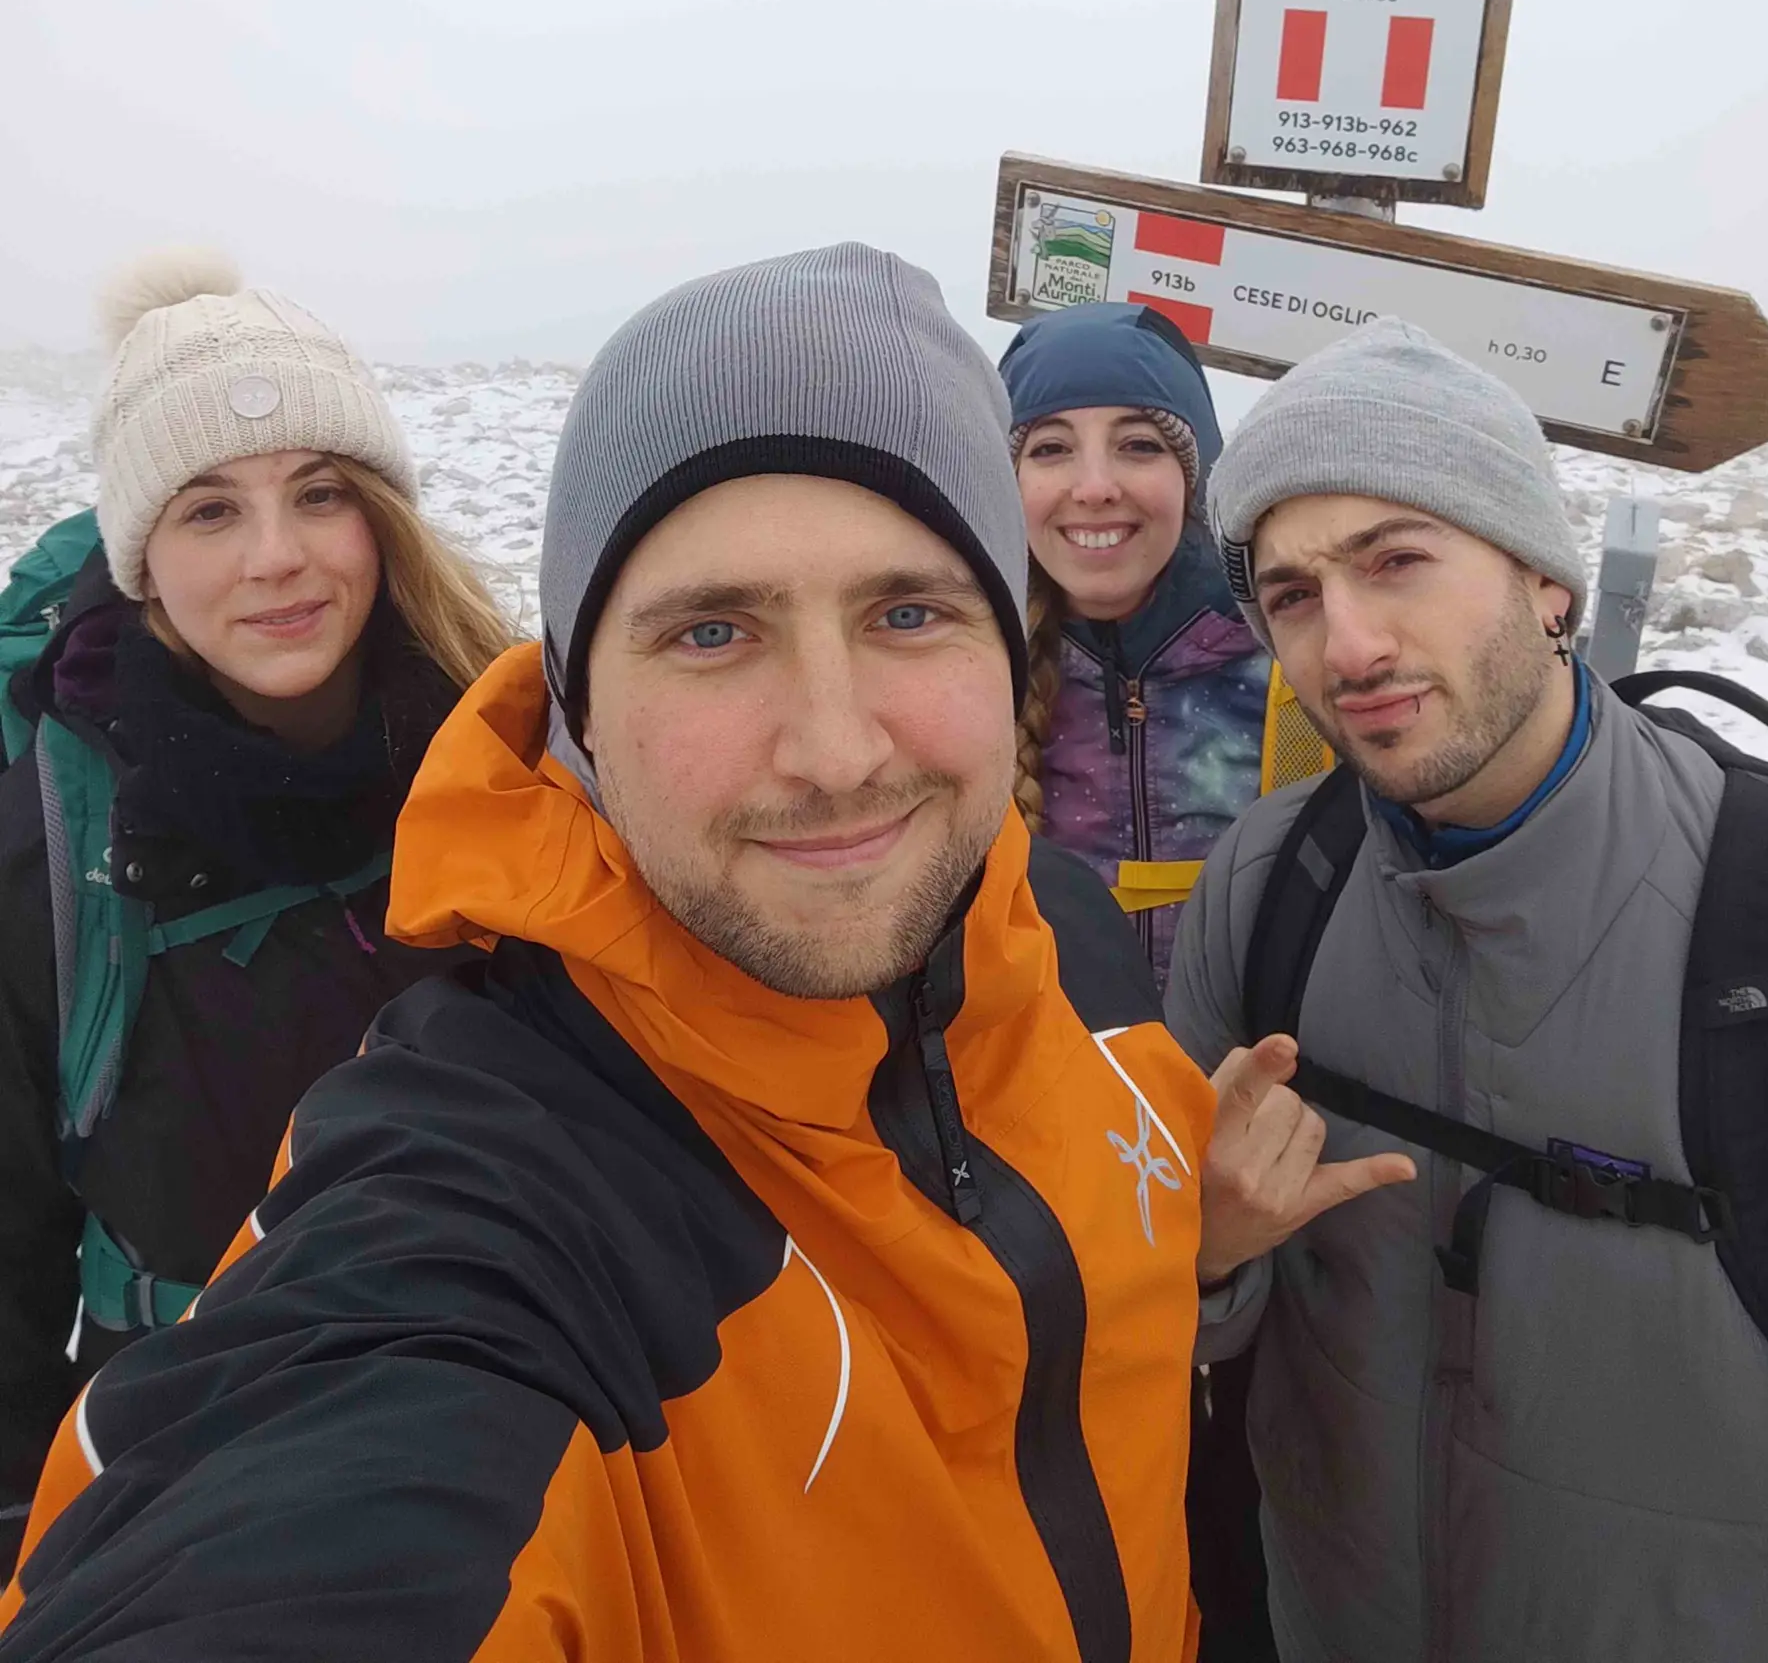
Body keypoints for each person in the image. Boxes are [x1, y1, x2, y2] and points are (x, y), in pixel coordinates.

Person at [0, 243, 1406, 1660]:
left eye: (908, 612)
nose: (836, 751)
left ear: (1005, 639)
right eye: (714, 631)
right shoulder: (505, 1182)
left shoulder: (1066, 948)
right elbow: (325, 1471)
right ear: (579, 715)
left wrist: (1184, 1246)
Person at [1169, 320, 1768, 1662]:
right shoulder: (1271, 886)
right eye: (1293, 594)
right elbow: (1157, 1311)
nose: (1349, 646)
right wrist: (1205, 1256)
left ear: (1546, 581)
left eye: (1397, 559)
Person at [0, 249, 511, 1579]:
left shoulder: (510, 756)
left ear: (381, 518)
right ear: (142, 562)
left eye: (320, 493)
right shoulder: (52, 843)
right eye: (211, 510)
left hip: (504, 1428)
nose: (277, 559)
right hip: (183, 1471)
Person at [1001, 302, 1328, 982]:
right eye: (1051, 449)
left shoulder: (1302, 661)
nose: (1095, 487)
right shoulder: (969, 672)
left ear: (1196, 475)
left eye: (1139, 445)